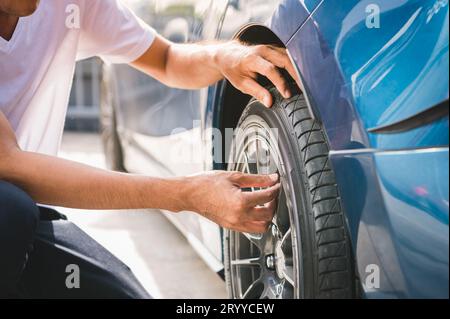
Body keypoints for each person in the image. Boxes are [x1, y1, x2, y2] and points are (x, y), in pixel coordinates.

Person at [0, 0, 297, 298]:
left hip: (27, 220)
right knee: (11, 209)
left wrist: (223, 56)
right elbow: (8, 163)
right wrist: (187, 194)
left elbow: (166, 58)